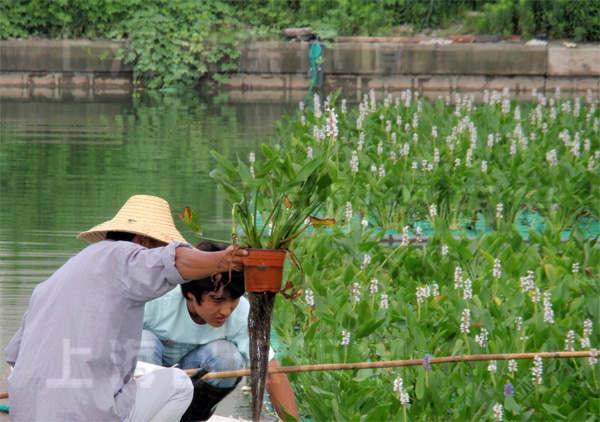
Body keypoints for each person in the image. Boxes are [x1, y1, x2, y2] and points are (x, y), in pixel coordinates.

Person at [4, 195, 246, 422]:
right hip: (85, 413)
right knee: (180, 384)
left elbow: (13, 362)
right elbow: (174, 262)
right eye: (160, 247)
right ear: (141, 242)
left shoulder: (55, 280)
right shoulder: (126, 255)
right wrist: (225, 260)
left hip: (26, 413)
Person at [140, 241, 300, 421]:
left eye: (234, 299)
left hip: (190, 387)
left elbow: (271, 375)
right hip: (148, 387)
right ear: (191, 293)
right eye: (217, 300)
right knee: (141, 342)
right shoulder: (157, 300)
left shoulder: (241, 314)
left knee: (226, 356)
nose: (226, 310)